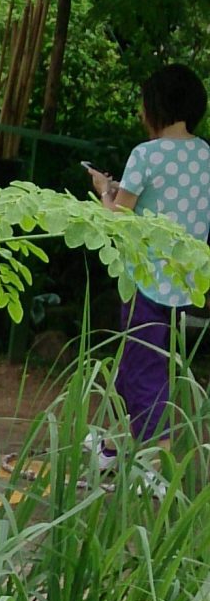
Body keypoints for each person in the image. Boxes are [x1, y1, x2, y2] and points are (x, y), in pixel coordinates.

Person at [87, 63, 210, 441]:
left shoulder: (145, 155)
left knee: (142, 369)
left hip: (145, 280)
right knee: (140, 365)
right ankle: (118, 445)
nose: (141, 113)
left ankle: (154, 460)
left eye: (143, 104)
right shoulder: (204, 154)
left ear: (157, 104)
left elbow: (118, 219)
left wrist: (104, 191)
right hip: (187, 282)